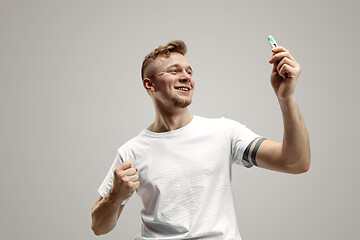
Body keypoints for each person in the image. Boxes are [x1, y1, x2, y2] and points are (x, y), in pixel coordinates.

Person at [90, 40, 310, 239]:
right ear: (150, 85)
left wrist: (286, 97)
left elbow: (295, 162)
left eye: (188, 71)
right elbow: (99, 227)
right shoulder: (131, 152)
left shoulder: (225, 132)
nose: (186, 77)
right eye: (173, 71)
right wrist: (114, 197)